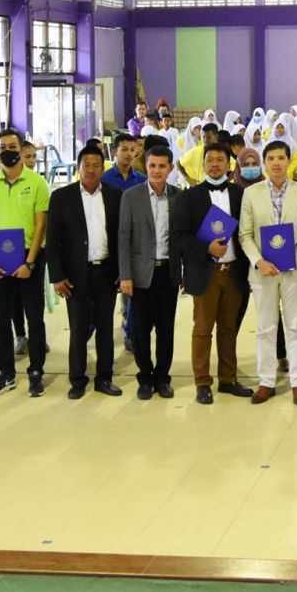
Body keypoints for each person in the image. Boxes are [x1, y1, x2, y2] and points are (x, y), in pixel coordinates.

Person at [238, 141, 297, 404]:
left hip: (293, 269)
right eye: (271, 158)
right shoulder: (251, 194)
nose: (276, 163)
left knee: (296, 325)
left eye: (281, 158)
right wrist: (259, 261)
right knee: (265, 327)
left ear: (289, 161)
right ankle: (266, 381)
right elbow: (244, 234)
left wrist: (290, 259)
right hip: (263, 271)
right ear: (264, 163)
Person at [172, 143, 253, 404]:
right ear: (203, 164)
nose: (215, 164)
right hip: (205, 271)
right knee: (203, 328)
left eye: (220, 160)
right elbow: (179, 236)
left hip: (234, 272)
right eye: (210, 160)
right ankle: (202, 382)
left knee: (229, 328)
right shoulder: (189, 197)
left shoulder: (240, 194)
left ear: (229, 165)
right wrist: (205, 248)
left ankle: (228, 379)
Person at [0, 127, 51, 399]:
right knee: (1, 319)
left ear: (21, 149)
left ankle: (36, 371)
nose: (8, 151)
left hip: (29, 257)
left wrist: (29, 263)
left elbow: (41, 224)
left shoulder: (37, 182)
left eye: (12, 147)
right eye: (3, 148)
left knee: (34, 317)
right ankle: (5, 372)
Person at [47, 143, 124, 400]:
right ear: (78, 168)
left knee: (105, 327)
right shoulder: (62, 197)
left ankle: (104, 378)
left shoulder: (115, 196)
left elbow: (121, 238)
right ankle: (77, 379)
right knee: (78, 329)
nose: (91, 170)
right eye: (86, 165)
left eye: (96, 166)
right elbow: (53, 240)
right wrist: (57, 276)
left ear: (103, 168)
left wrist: (122, 271)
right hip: (75, 276)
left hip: (106, 272)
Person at [117, 144, 183, 400]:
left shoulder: (178, 197)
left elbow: (182, 237)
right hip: (140, 274)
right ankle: (145, 377)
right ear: (145, 166)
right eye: (152, 165)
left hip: (168, 273)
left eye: (162, 166)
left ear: (170, 168)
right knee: (140, 330)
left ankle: (163, 378)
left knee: (166, 330)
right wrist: (125, 275)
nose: (156, 170)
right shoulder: (131, 197)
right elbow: (124, 238)